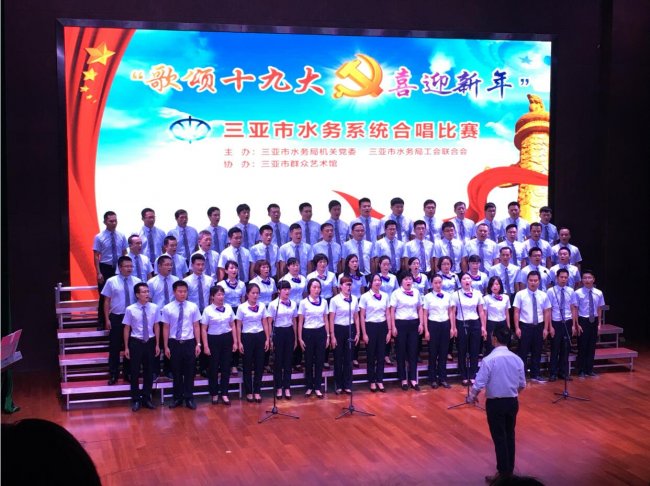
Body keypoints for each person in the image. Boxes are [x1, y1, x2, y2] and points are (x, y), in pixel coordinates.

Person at [468, 326, 526, 483]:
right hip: (512, 402)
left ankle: (503, 475)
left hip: (495, 404)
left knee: (499, 438)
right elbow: (522, 384)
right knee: (510, 435)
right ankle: (509, 472)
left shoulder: (489, 360)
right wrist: (511, 393)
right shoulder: (517, 359)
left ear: (494, 339)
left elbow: (479, 383)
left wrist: (472, 397)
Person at [162, 280, 201, 410]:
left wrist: (198, 343)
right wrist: (166, 346)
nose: (183, 294)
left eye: (185, 291)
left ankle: (189, 398)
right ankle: (177, 398)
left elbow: (196, 326)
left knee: (190, 372)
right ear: (174, 292)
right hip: (174, 343)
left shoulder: (193, 307)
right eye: (180, 291)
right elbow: (166, 328)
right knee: (176, 372)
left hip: (189, 342)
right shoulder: (167, 308)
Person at [102, 255, 140, 385]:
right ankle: (113, 374)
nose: (129, 268)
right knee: (115, 347)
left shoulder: (137, 281)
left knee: (131, 346)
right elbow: (106, 301)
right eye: (126, 266)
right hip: (117, 317)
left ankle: (128, 373)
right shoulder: (111, 281)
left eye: (131, 266)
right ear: (120, 267)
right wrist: (107, 319)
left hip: (133, 318)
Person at [123, 282, 159, 411]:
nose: (147, 294)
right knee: (134, 371)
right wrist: (126, 347)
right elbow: (127, 328)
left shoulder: (154, 307)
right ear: (137, 295)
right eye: (144, 292)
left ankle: (147, 398)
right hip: (136, 342)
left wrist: (157, 344)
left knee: (149, 372)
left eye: (148, 291)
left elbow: (156, 326)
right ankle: (136, 399)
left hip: (150, 342)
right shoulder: (130, 309)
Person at [513, 271, 553, 382]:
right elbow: (516, 312)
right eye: (531, 280)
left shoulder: (543, 295)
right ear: (527, 281)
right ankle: (521, 375)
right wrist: (517, 328)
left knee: (537, 351)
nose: (533, 283)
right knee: (523, 352)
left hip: (539, 326)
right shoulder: (520, 294)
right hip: (525, 326)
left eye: (535, 280)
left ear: (539, 281)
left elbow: (547, 312)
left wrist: (546, 328)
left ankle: (535, 374)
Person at [201, 285, 237, 405]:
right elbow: (203, 329)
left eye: (222, 294)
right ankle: (214, 393)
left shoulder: (228, 308)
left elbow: (233, 325)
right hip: (213, 340)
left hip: (227, 338)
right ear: (212, 296)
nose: (221, 297)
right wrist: (205, 346)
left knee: (226, 367)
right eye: (218, 295)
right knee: (213, 368)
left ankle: (225, 393)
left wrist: (235, 342)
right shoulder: (208, 310)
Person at [451, 272, 487, 384]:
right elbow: (452, 312)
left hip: (475, 322)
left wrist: (483, 326)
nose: (466, 280)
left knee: (474, 350)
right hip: (461, 322)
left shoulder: (477, 293)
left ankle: (472, 374)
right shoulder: (456, 294)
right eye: (464, 279)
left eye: (468, 278)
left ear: (471, 281)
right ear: (460, 282)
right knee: (462, 349)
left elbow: (481, 311)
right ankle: (463, 375)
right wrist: (453, 327)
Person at [390, 271, 424, 391]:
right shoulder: (396, 293)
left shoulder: (416, 292)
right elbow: (392, 311)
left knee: (413, 351)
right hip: (400, 324)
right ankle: (403, 379)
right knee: (401, 352)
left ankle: (413, 379)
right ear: (401, 281)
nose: (408, 281)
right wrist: (393, 327)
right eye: (406, 279)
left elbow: (420, 308)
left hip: (414, 323)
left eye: (410, 279)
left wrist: (421, 323)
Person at [236, 283, 270, 403]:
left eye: (257, 293)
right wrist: (239, 341)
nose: (255, 295)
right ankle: (249, 392)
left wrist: (267, 338)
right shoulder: (242, 307)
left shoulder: (262, 306)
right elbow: (238, 325)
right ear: (247, 294)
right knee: (247, 365)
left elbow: (265, 323)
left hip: (260, 335)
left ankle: (257, 391)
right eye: (253, 293)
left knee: (259, 365)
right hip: (247, 336)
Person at [93, 210, 128, 328]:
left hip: (119, 267)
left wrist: (125, 268)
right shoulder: (99, 237)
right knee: (104, 296)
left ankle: (122, 321)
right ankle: (102, 322)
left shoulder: (121, 236)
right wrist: (98, 272)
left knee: (121, 294)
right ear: (105, 222)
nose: (114, 223)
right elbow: (96, 256)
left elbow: (124, 252)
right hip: (105, 267)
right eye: (111, 221)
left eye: (115, 221)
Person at [147, 254, 179, 378]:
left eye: (171, 265)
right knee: (156, 343)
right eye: (166, 265)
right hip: (158, 316)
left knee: (170, 343)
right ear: (159, 266)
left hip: (172, 315)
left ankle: (169, 369)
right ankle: (154, 371)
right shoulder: (151, 282)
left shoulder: (176, 280)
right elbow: (149, 301)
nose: (169, 267)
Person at [422, 274, 456, 388]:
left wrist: (452, 327)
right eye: (435, 283)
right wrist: (426, 330)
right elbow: (425, 314)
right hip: (433, 324)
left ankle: (442, 378)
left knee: (443, 353)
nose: (438, 285)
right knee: (433, 353)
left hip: (445, 324)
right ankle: (432, 378)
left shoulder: (448, 295)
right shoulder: (427, 297)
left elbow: (450, 312)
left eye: (440, 282)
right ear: (431, 284)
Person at [359, 273, 391, 392]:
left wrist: (389, 330)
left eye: (379, 280)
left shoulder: (385, 296)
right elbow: (362, 316)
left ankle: (380, 380)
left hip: (382, 326)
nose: (377, 282)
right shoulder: (365, 297)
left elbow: (388, 314)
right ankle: (372, 381)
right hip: (370, 326)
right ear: (371, 283)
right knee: (371, 355)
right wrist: (364, 333)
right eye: (375, 280)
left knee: (381, 355)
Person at [298, 278, 329, 398]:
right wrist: (300, 338)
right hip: (308, 333)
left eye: (318, 287)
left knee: (320, 360)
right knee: (309, 360)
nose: (317, 290)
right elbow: (300, 322)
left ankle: (317, 387)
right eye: (314, 287)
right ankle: (309, 386)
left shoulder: (324, 302)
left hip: (320, 332)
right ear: (309, 288)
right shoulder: (303, 303)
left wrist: (328, 335)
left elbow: (325, 319)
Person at [329, 276, 360, 394]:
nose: (349, 287)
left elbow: (356, 317)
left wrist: (358, 332)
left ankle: (347, 384)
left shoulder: (354, 299)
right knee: (338, 358)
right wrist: (332, 335)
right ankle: (338, 384)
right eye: (346, 284)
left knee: (348, 358)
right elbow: (331, 319)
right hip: (338, 329)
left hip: (350, 328)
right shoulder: (335, 300)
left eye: (350, 284)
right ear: (340, 286)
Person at [267, 280, 298, 399]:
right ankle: (279, 388)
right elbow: (269, 322)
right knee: (278, 362)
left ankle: (287, 387)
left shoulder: (293, 303)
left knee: (288, 361)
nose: (287, 291)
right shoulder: (273, 304)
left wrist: (295, 338)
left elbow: (294, 321)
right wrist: (270, 338)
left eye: (288, 289)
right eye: (284, 289)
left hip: (289, 331)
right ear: (279, 291)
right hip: (278, 332)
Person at [573, 270, 605, 378]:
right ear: (582, 280)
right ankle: (581, 370)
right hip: (583, 320)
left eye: (589, 277)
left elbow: (599, 308)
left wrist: (599, 323)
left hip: (594, 320)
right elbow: (575, 309)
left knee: (592, 346)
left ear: (593, 279)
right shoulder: (578, 293)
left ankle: (589, 369)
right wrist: (577, 323)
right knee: (582, 346)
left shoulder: (599, 293)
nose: (587, 280)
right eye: (585, 278)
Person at [216, 260, 246, 376]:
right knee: (228, 338)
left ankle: (234, 364)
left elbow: (243, 300)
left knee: (237, 338)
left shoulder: (242, 284)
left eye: (236, 268)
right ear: (226, 270)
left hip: (238, 311)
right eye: (231, 268)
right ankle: (223, 364)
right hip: (226, 311)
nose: (234, 270)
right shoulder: (221, 285)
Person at [547, 268, 576, 381]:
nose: (563, 279)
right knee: (555, 348)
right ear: (557, 278)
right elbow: (548, 309)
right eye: (561, 277)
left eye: (565, 277)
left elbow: (573, 308)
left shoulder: (571, 291)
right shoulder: (551, 291)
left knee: (566, 348)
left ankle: (563, 372)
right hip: (556, 322)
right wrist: (550, 326)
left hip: (567, 321)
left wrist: (573, 325)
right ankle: (553, 373)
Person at [483, 276, 512, 355]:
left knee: (503, 346)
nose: (494, 286)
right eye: (492, 284)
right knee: (491, 346)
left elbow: (507, 313)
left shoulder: (506, 297)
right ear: (490, 286)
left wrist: (508, 326)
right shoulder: (486, 298)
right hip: (491, 324)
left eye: (496, 284)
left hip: (503, 323)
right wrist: (484, 328)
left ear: (500, 285)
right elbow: (485, 315)